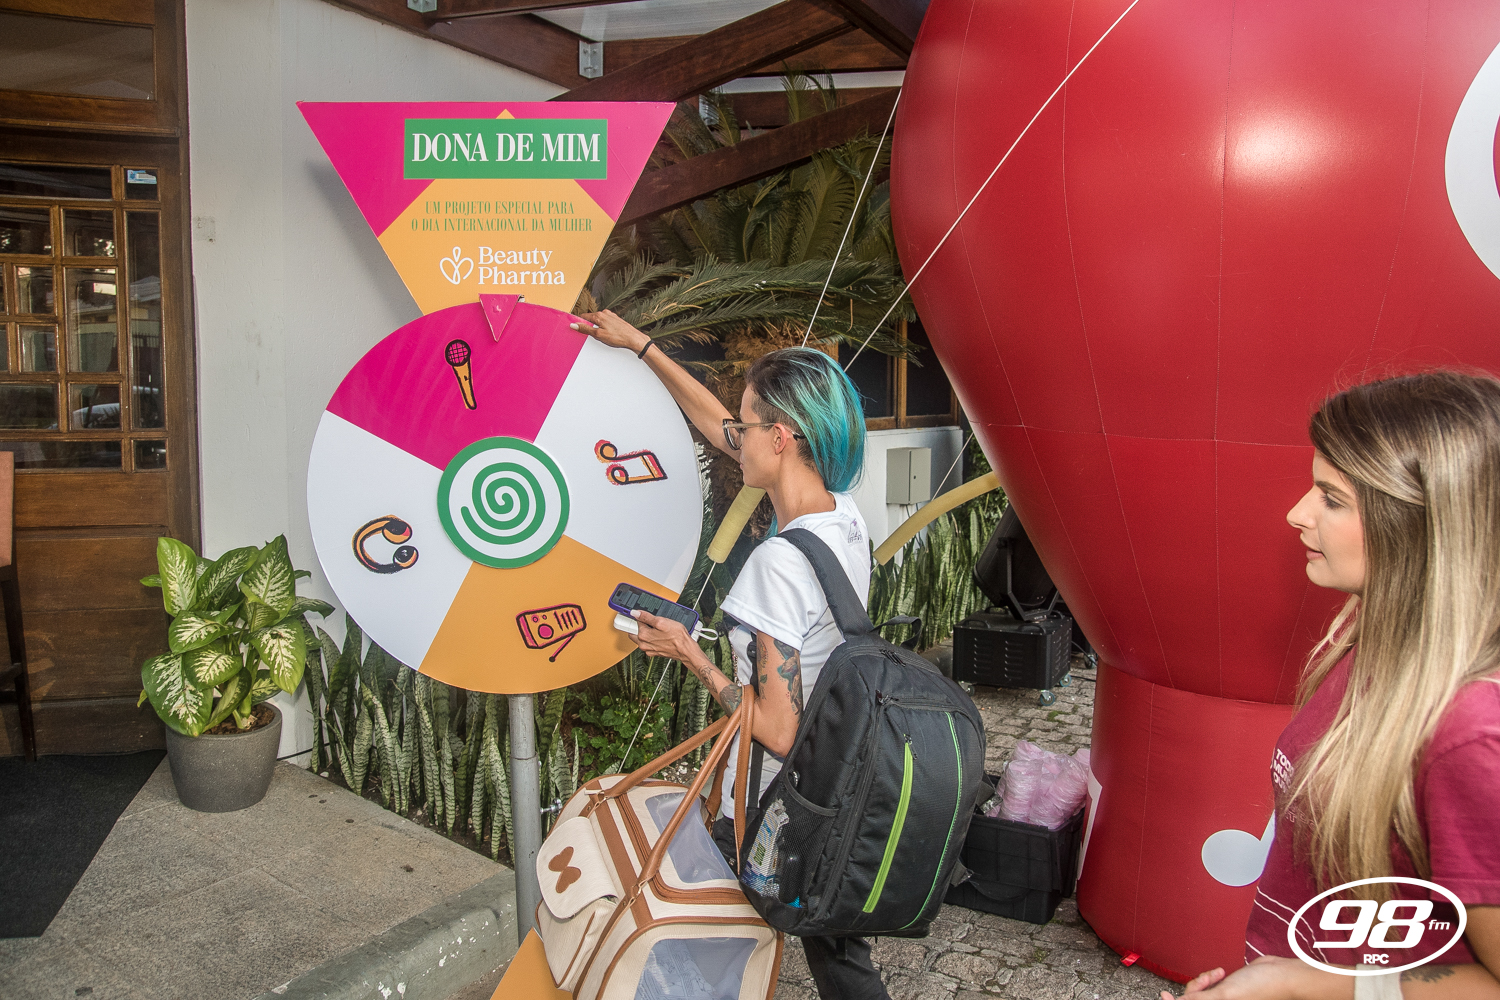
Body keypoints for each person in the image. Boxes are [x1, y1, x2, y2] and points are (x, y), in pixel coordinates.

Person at [571, 311, 889, 1000]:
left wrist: (690, 654)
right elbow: (716, 425)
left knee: (688, 938)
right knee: (839, 955)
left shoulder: (778, 565)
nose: (732, 439)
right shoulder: (842, 516)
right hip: (831, 780)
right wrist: (642, 346)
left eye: (746, 427)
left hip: (774, 800)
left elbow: (777, 727)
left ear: (781, 438)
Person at [1167, 371, 1500, 999]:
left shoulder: (1473, 734)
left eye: (1332, 498)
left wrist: (1296, 984)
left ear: (1424, 524)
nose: (1297, 514)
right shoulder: (1367, 647)